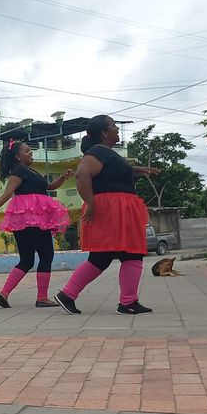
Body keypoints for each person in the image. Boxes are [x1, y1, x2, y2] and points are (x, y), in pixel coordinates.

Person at [54, 115, 159, 315]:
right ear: (104, 133)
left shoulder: (106, 153)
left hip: (116, 207)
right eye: (113, 126)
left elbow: (111, 172)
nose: (117, 129)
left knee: (113, 255)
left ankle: (73, 295)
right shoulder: (96, 152)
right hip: (111, 208)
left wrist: (137, 170)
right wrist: (90, 202)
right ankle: (125, 302)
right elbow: (81, 174)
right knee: (115, 255)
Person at [0, 138, 72, 308]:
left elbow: (49, 186)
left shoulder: (30, 171)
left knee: (27, 260)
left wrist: (63, 178)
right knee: (46, 255)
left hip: (27, 220)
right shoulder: (19, 171)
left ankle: (4, 294)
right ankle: (42, 297)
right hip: (32, 220)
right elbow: (6, 194)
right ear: (17, 156)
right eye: (27, 150)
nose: (31, 152)